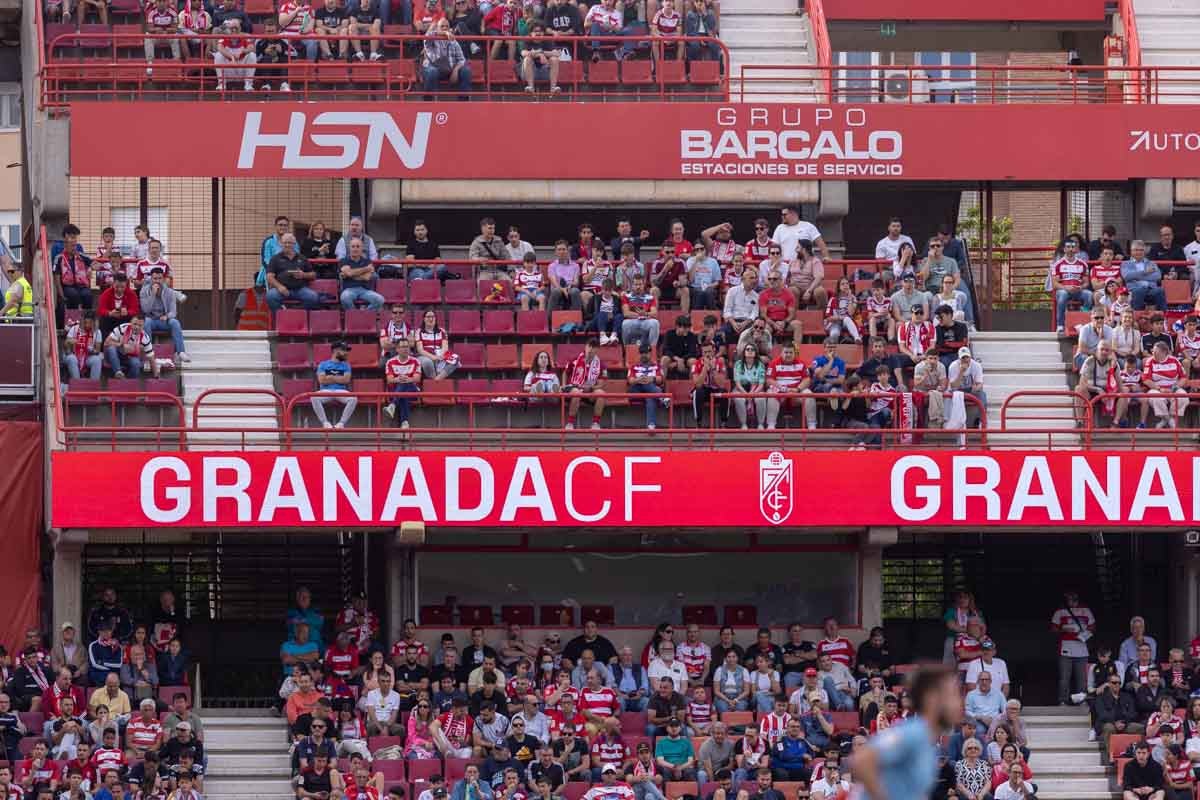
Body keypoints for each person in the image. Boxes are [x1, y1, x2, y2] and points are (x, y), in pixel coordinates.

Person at [852, 665, 963, 800]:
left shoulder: (927, 739)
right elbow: (863, 759)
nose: (959, 703)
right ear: (932, 699)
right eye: (952, 696)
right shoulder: (912, 733)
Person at [1051, 591, 1095, 706]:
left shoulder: (1086, 610)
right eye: (1069, 599)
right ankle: (1063, 701)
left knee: (1082, 678)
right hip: (1065, 648)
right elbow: (1053, 628)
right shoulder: (1060, 611)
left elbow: (1093, 626)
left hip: (1082, 648)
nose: (1071, 601)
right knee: (1064, 678)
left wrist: (1085, 633)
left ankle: (1081, 701)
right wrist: (1063, 630)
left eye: (1073, 599)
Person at [140, 267, 190, 363]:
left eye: (159, 278)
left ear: (163, 279)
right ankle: (148, 352)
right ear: (151, 279)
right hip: (151, 320)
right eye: (155, 278)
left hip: (164, 320)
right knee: (146, 322)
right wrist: (153, 295)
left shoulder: (170, 292)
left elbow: (173, 312)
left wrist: (167, 316)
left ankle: (181, 352)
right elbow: (145, 309)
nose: (157, 281)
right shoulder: (144, 291)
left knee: (175, 322)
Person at [266, 233, 320, 311]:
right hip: (282, 289)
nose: (287, 245)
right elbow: (269, 276)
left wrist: (303, 275)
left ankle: (295, 312)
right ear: (281, 244)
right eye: (285, 243)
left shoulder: (302, 258)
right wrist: (279, 287)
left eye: (290, 243)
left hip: (300, 289)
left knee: (314, 297)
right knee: (270, 296)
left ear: (294, 244)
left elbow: (313, 275)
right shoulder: (275, 258)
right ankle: (282, 315)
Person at [310, 340, 357, 429]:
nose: (346, 353)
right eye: (344, 350)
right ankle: (325, 423)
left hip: (341, 391)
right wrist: (338, 378)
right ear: (336, 351)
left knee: (353, 399)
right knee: (314, 397)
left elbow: (346, 380)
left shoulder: (346, 365)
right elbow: (322, 380)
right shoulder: (323, 364)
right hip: (325, 391)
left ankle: (341, 423)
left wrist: (330, 377)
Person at [1050, 237, 1093, 334]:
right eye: (1068, 247)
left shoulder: (1083, 264)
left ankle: (1083, 321)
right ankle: (1060, 325)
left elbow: (1086, 282)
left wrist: (1080, 287)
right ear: (1064, 249)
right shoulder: (1058, 264)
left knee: (1089, 295)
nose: (1070, 249)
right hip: (1063, 290)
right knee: (1063, 295)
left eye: (1073, 247)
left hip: (1078, 290)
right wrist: (1066, 288)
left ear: (1076, 249)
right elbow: (1055, 284)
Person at [563, 339, 606, 431]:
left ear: (597, 350)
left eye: (593, 347)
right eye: (589, 346)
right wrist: (563, 386)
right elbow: (565, 372)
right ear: (585, 347)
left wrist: (591, 388)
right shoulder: (575, 359)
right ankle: (570, 423)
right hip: (574, 387)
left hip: (589, 390)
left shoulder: (600, 364)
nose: (590, 349)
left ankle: (595, 423)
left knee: (601, 393)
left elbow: (601, 384)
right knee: (577, 392)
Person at [384, 338, 422, 430]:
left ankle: (393, 405)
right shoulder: (390, 362)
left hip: (413, 390)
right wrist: (400, 379)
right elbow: (389, 380)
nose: (406, 349)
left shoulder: (415, 361)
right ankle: (404, 423)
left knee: (405, 385)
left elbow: (417, 379)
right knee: (403, 393)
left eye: (407, 346)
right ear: (397, 349)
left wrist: (407, 379)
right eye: (403, 347)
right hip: (396, 391)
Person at [339, 237, 385, 311]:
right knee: (344, 297)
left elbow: (366, 277)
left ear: (361, 249)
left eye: (358, 246)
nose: (355, 249)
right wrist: (366, 269)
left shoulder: (368, 261)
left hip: (365, 290)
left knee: (380, 300)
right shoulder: (344, 261)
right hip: (349, 289)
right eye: (353, 246)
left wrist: (350, 274)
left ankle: (364, 315)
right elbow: (348, 273)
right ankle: (354, 316)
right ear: (349, 248)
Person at [1122, 239, 1167, 311]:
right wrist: (1145, 272)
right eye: (1136, 250)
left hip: (1150, 288)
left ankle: (1163, 317)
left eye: (1141, 250)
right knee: (1139, 291)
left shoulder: (1151, 263)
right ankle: (1136, 316)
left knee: (1160, 290)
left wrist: (1136, 277)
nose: (1139, 252)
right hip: (1135, 289)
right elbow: (1127, 276)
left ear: (1144, 251)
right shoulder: (1126, 264)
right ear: (1131, 251)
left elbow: (1158, 276)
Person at [415, 308, 459, 380]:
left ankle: (437, 379)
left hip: (439, 354)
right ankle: (434, 378)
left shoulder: (442, 331)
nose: (431, 319)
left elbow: (445, 348)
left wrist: (440, 356)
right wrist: (433, 357)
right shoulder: (419, 331)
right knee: (427, 362)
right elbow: (420, 350)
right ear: (424, 319)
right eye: (428, 317)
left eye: (433, 317)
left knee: (456, 358)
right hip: (425, 355)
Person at [947, 347, 987, 425]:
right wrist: (961, 372)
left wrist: (976, 388)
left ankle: (980, 420)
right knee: (952, 395)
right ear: (959, 359)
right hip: (957, 390)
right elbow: (953, 386)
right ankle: (953, 421)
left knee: (982, 395)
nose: (965, 360)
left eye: (967, 357)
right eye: (963, 358)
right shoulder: (953, 366)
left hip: (970, 389)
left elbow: (980, 383)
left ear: (970, 357)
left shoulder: (976, 366)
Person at [63, 313, 103, 381]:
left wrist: (91, 350)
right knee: (71, 359)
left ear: (93, 323)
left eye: (90, 323)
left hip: (88, 356)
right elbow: (65, 345)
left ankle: (93, 385)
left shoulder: (97, 332)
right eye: (85, 322)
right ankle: (78, 383)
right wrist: (70, 341)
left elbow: (98, 350)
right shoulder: (74, 328)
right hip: (73, 353)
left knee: (97, 360)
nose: (87, 325)